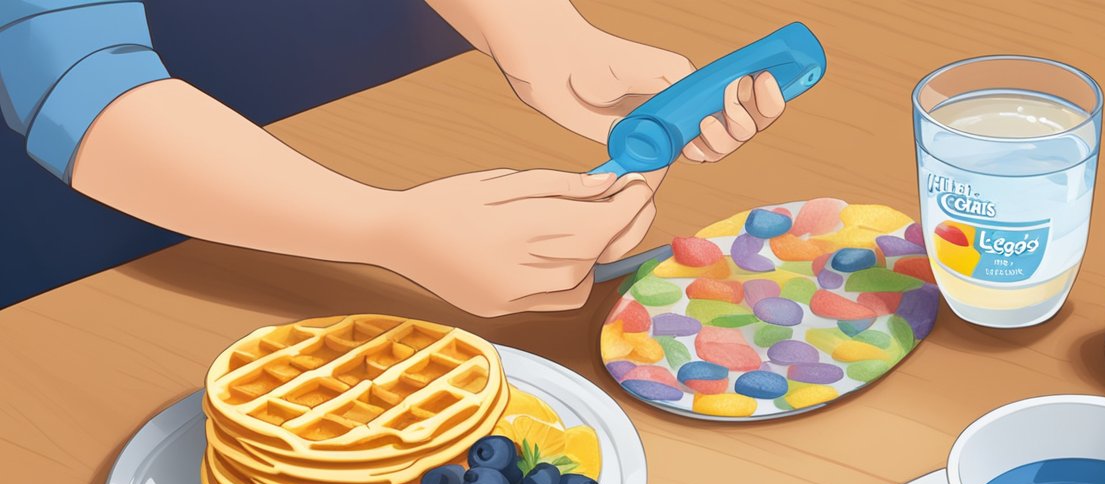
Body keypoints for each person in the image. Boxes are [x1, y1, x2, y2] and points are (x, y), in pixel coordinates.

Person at [0, 0, 787, 313]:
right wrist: (387, 228)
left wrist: (546, 38)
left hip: (357, 106)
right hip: (105, 240)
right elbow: (75, 78)